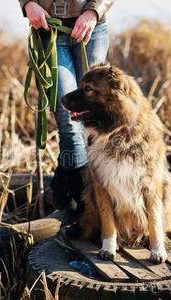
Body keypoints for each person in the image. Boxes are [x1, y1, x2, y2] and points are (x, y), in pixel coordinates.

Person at [18, 0, 114, 215]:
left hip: (92, 31)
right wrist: (28, 4)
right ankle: (85, 210)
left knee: (91, 119)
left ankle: (62, 186)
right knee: (69, 120)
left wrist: (93, 11)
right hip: (49, 30)